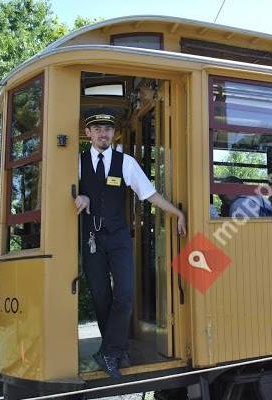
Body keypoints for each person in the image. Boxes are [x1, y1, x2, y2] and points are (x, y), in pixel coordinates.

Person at [74, 108, 186, 378]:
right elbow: (63, 192)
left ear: (113, 133)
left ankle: (109, 353)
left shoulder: (126, 163)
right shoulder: (75, 162)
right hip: (91, 240)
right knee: (102, 298)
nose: (104, 133)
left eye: (108, 129)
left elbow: (149, 194)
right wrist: (80, 196)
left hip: (119, 238)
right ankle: (117, 349)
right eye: (97, 128)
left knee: (124, 295)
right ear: (87, 133)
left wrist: (177, 213)